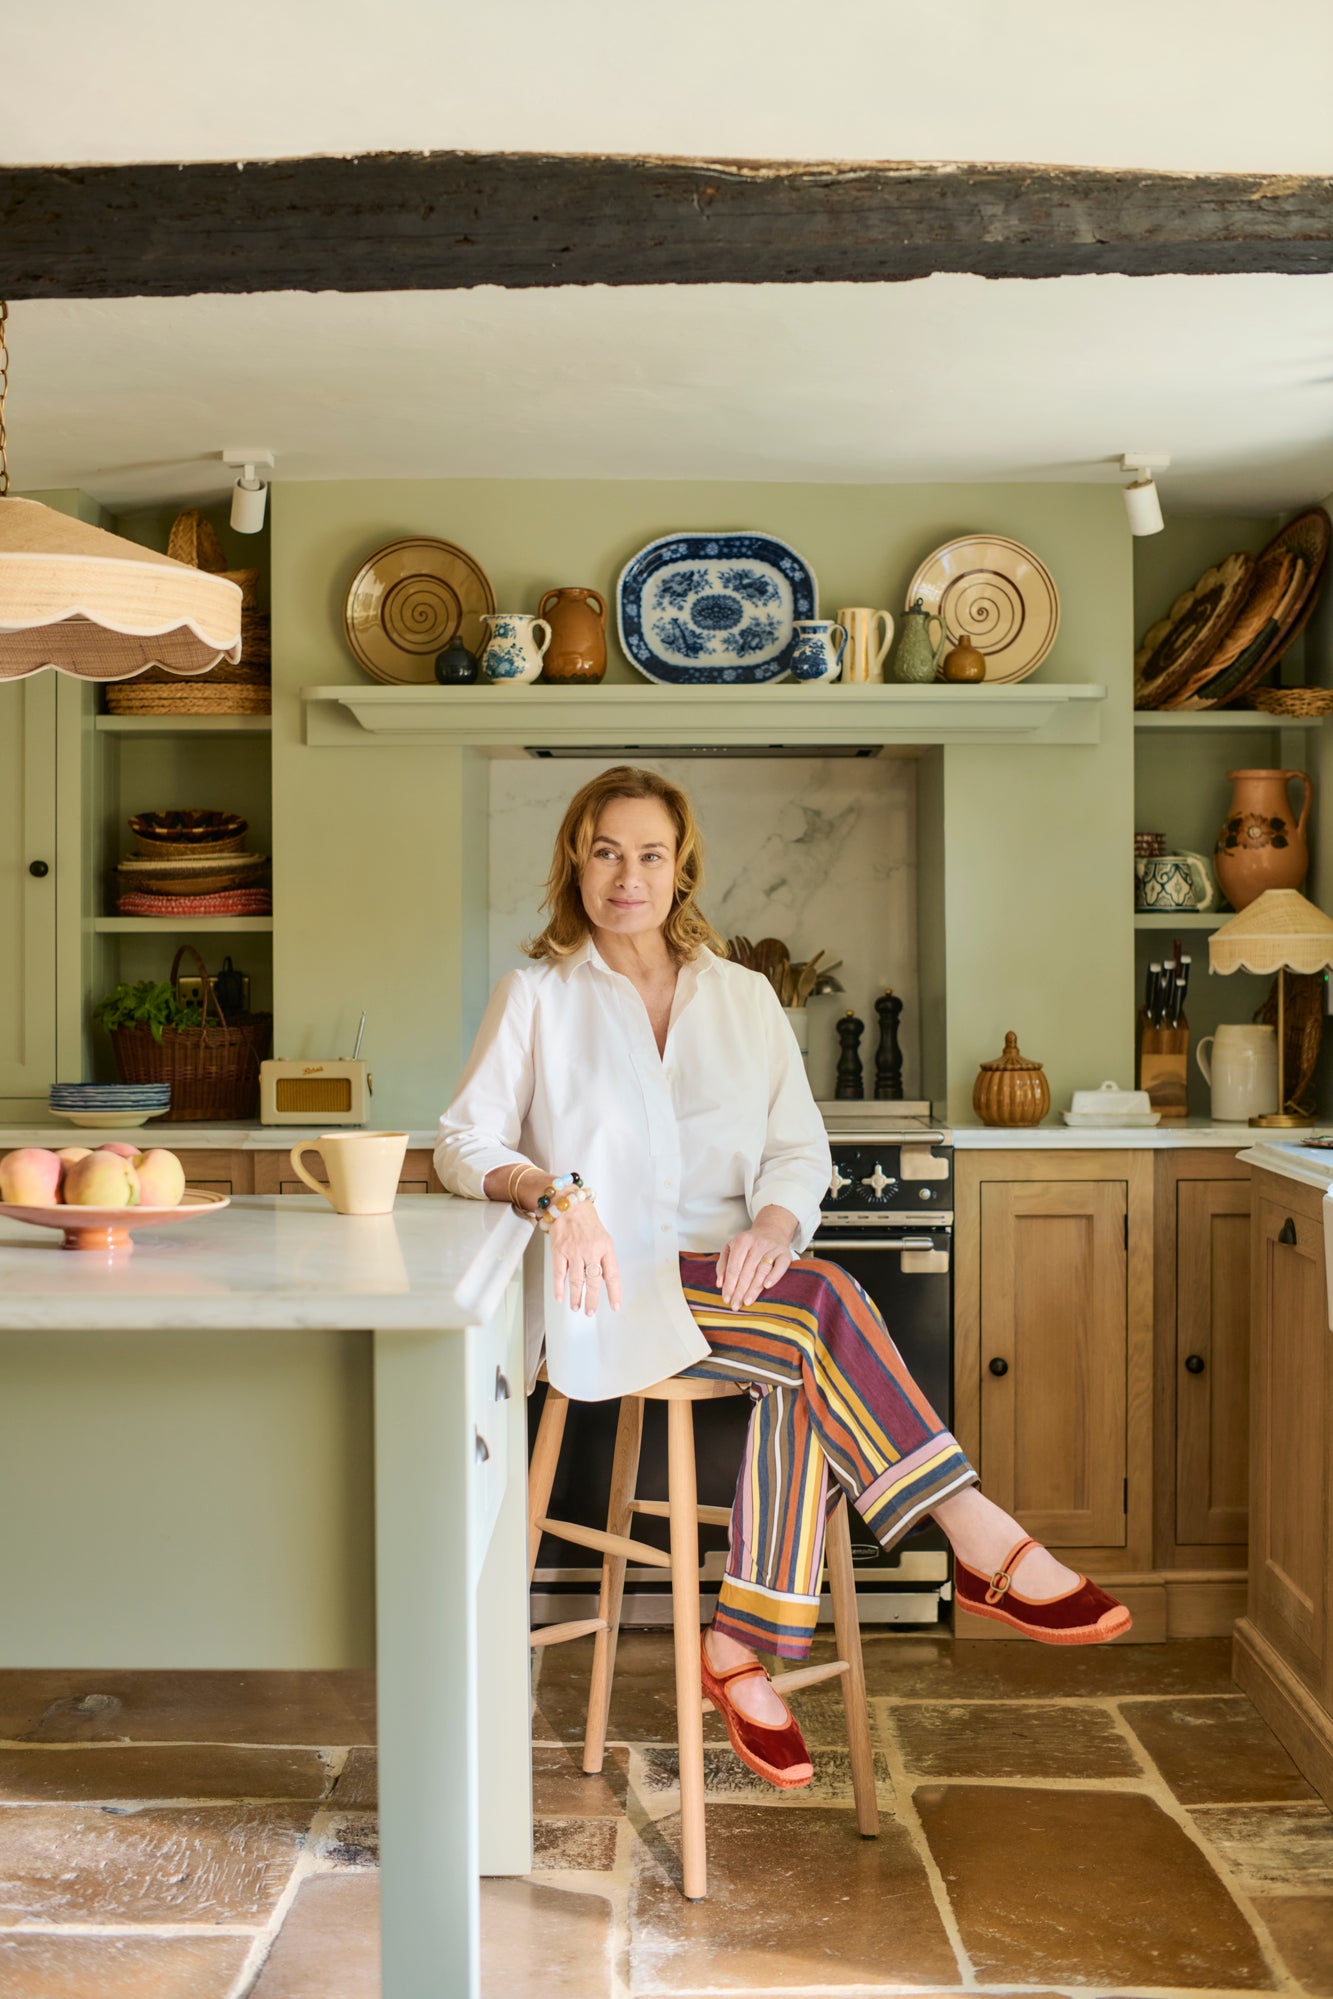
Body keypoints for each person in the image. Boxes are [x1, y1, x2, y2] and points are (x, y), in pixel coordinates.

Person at [435, 765, 1129, 1790]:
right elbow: (461, 1143)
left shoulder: (743, 996)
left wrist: (772, 1221)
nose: (627, 876)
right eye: (605, 852)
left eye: (650, 854)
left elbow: (799, 1150)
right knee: (829, 1303)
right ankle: (970, 1535)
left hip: (737, 1284)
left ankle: (740, 1644)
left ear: (681, 868)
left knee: (808, 1346)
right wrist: (552, 1193)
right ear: (574, 864)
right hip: (611, 1285)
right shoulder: (536, 995)